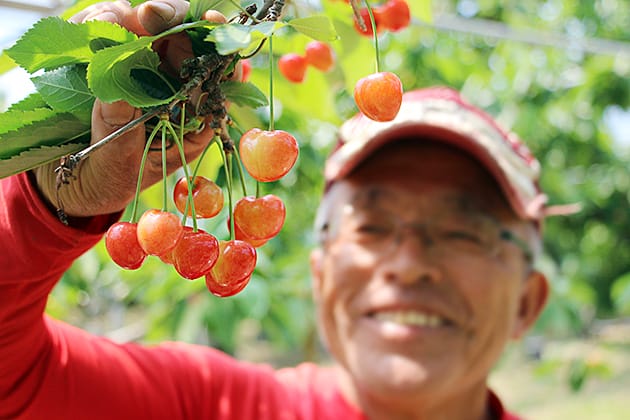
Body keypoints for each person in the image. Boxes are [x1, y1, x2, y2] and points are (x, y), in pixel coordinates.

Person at [0, 1, 553, 419]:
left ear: (528, 301)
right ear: (320, 272)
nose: (408, 265)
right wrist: (48, 207)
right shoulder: (208, 405)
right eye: (370, 225)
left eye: (463, 232)